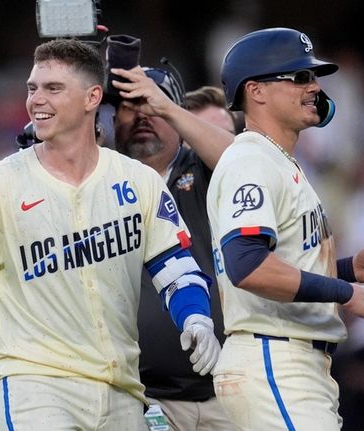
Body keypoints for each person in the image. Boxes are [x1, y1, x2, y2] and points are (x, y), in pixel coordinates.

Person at [0, 38, 217, 430]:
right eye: (32, 88)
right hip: (37, 384)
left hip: (122, 389)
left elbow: (175, 267)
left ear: (92, 97)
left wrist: (197, 318)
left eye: (53, 89)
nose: (35, 100)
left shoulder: (138, 180)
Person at [207, 27, 364, 430]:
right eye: (299, 77)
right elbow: (248, 265)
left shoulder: (278, 160)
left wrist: (350, 270)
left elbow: (284, 264)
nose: (314, 86)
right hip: (274, 358)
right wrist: (348, 293)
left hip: (293, 362)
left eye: (312, 77)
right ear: (256, 91)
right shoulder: (252, 161)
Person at [110, 65, 235, 430]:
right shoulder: (100, 176)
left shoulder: (206, 167)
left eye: (150, 102)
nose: (142, 115)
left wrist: (167, 108)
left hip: (229, 388)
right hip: (141, 395)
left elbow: (253, 165)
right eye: (129, 106)